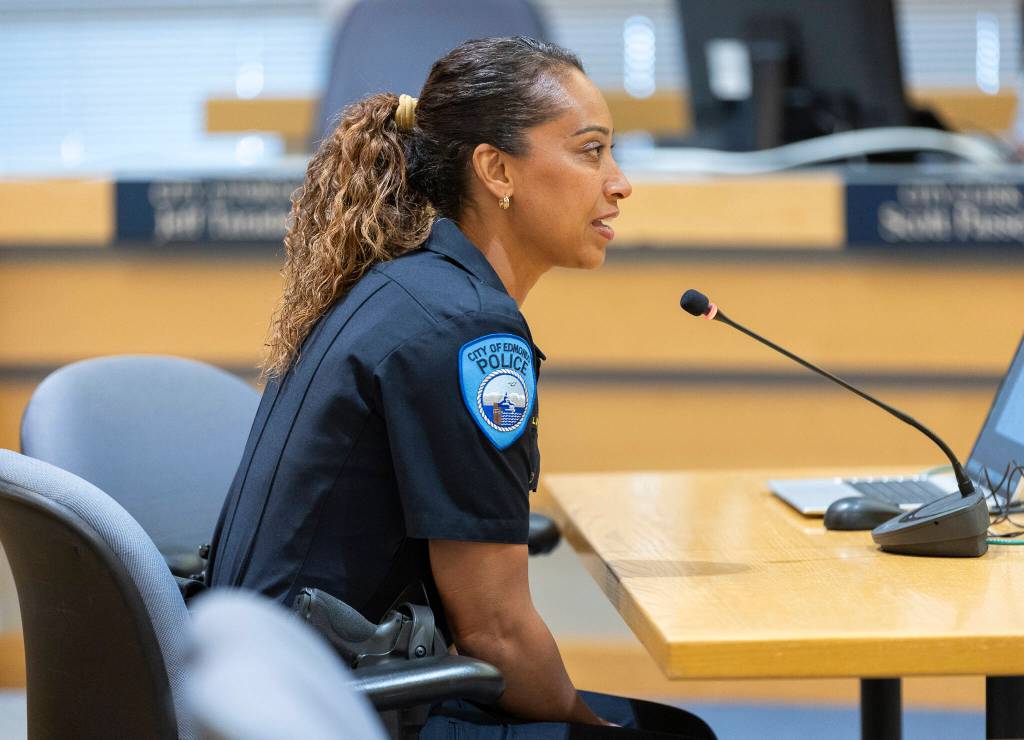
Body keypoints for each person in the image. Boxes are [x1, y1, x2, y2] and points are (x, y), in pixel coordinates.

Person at [207, 36, 715, 739]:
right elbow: (496, 635)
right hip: (327, 709)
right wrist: (589, 724)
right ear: (496, 170)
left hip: (270, 685)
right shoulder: (468, 329)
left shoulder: (406, 282)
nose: (620, 182)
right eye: (590, 151)